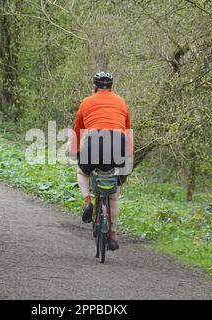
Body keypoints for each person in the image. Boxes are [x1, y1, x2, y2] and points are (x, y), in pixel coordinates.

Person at [68, 72, 132, 251]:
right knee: (113, 194)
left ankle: (87, 201)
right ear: (112, 87)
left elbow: (78, 129)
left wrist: (75, 152)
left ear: (95, 87)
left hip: (94, 140)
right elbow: (127, 131)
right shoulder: (121, 102)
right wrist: (127, 156)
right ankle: (112, 236)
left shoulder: (86, 102)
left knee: (82, 172)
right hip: (118, 143)